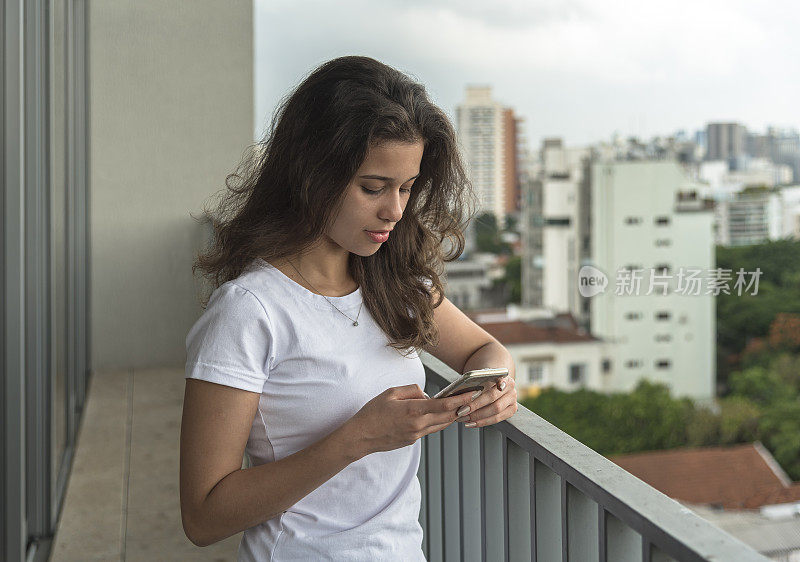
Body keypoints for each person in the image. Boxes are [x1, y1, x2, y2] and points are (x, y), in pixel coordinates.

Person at [179, 55, 518, 561]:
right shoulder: (250, 312)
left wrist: (498, 386)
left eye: (406, 188)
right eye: (373, 187)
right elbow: (203, 517)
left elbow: (485, 349)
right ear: (311, 173)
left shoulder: (396, 284)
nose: (395, 210)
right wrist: (357, 438)